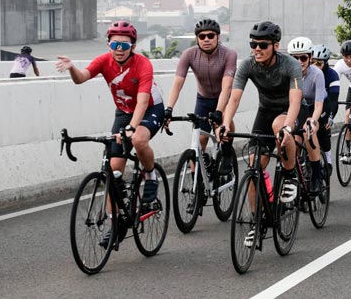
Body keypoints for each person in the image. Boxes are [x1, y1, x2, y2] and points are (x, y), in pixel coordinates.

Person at [55, 20, 165, 246]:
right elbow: (81, 78)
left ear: (133, 47)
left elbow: (143, 101)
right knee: (112, 174)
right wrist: (72, 68)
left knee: (138, 139)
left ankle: (151, 176)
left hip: (150, 108)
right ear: (109, 45)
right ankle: (116, 225)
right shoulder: (105, 61)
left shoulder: (143, 64)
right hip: (123, 112)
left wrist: (131, 128)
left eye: (124, 46)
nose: (119, 50)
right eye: (115, 45)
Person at [221, 21, 302, 219]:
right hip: (264, 112)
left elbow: (295, 101)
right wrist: (225, 123)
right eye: (253, 44)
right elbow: (234, 98)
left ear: (275, 46)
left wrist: (288, 128)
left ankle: (290, 175)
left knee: (280, 126)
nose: (257, 49)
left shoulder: (290, 65)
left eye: (263, 45)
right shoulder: (248, 65)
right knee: (253, 166)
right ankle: (257, 220)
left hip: (287, 111)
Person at [164, 18, 237, 175]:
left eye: (211, 36)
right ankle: (198, 185)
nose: (206, 39)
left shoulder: (229, 54)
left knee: (225, 127)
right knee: (198, 143)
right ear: (197, 39)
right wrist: (169, 109)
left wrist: (219, 111)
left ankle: (227, 152)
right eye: (202, 36)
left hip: (222, 99)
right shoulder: (189, 54)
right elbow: (177, 83)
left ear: (219, 37)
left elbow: (227, 87)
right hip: (203, 100)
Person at [287, 37, 326, 193]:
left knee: (309, 131)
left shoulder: (317, 74)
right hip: (298, 107)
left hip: (316, 107)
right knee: (294, 140)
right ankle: (296, 173)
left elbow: (318, 105)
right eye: (294, 58)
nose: (299, 61)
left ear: (310, 58)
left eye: (303, 57)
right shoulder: (287, 74)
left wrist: (313, 121)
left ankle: (317, 175)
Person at [311, 44, 340, 177]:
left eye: (319, 63)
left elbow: (334, 100)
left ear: (326, 63)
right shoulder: (305, 71)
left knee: (323, 127)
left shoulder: (332, 74)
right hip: (309, 103)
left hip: (325, 104)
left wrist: (331, 117)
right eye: (312, 62)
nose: (315, 65)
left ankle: (328, 160)